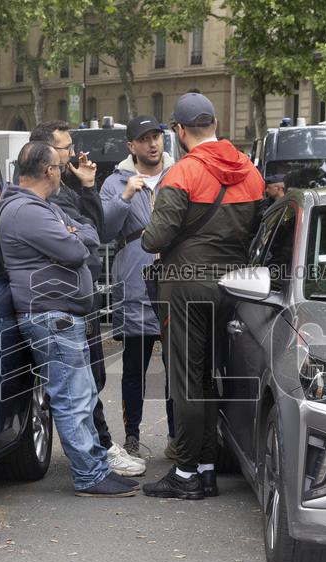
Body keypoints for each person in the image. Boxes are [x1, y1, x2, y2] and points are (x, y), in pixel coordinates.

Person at [140, 93, 264, 500]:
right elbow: (258, 232)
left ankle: (187, 472)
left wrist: (148, 225)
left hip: (185, 285)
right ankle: (207, 469)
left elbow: (156, 238)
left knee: (187, 380)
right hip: (234, 285)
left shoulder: (183, 173)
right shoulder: (249, 169)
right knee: (211, 378)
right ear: (214, 124)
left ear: (179, 130)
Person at [0, 142, 137, 497]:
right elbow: (77, 249)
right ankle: (89, 476)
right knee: (72, 397)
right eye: (61, 165)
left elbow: (88, 230)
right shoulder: (27, 211)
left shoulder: (40, 207)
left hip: (59, 314)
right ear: (50, 171)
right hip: (50, 316)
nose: (64, 171)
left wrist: (77, 233)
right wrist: (76, 236)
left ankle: (96, 468)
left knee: (83, 393)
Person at [29, 120, 146, 477]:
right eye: (65, 146)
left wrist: (88, 185)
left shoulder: (67, 188)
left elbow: (94, 232)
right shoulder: (45, 197)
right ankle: (97, 452)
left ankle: (95, 450)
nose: (73, 152)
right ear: (48, 153)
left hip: (82, 293)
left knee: (91, 376)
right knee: (78, 383)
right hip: (61, 299)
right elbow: (88, 238)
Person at [99, 115, 177, 459]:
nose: (153, 143)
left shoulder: (181, 174)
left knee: (178, 370)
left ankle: (178, 439)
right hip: (136, 282)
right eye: (144, 138)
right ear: (131, 146)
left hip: (177, 283)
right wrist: (127, 195)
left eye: (157, 136)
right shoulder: (115, 182)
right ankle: (132, 437)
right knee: (134, 369)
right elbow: (104, 231)